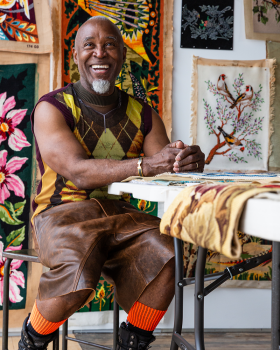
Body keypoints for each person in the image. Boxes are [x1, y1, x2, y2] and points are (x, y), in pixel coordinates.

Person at [18, 16, 205, 350]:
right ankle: (32, 339)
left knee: (170, 249)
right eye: (89, 45)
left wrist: (184, 161)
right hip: (60, 213)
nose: (99, 53)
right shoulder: (53, 107)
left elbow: (164, 168)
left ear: (122, 55)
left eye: (110, 45)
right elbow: (78, 170)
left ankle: (132, 342)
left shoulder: (143, 113)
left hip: (121, 216)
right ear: (76, 56)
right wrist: (145, 164)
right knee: (77, 263)